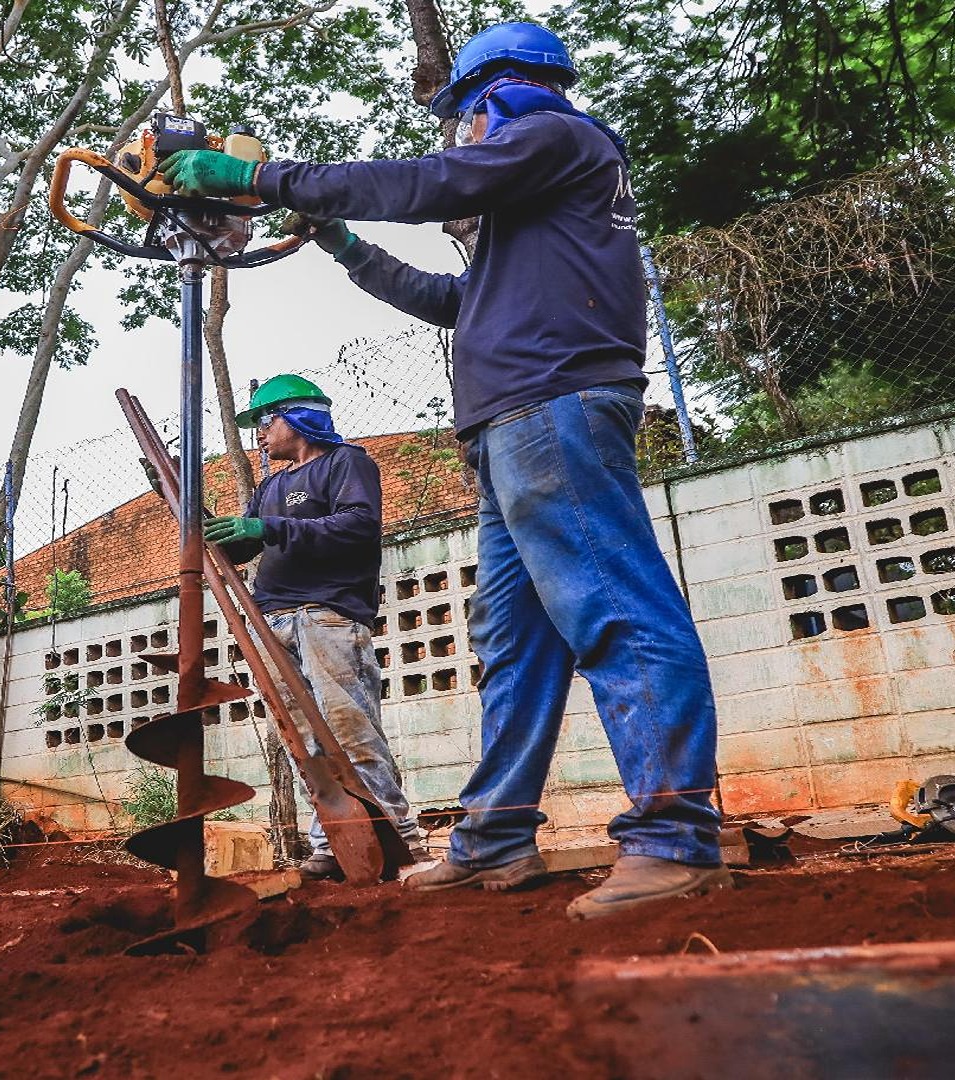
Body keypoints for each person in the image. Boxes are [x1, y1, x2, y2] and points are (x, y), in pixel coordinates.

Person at [160, 22, 728, 915]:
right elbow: (449, 300)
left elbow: (432, 184)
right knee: (516, 645)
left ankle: (674, 834)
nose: (460, 137)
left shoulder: (548, 134)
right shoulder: (534, 229)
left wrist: (261, 179)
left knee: (614, 609)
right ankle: (497, 838)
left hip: (554, 411)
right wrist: (343, 245)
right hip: (513, 432)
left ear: (487, 97)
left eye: (459, 119)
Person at [205, 376, 428, 879]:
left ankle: (399, 837)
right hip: (274, 620)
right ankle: (332, 842)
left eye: (264, 421)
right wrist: (192, 509)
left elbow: (358, 525)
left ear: (298, 416)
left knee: (349, 731)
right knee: (303, 741)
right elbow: (239, 544)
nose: (259, 434)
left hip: (326, 615)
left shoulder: (346, 463)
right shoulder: (269, 486)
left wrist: (271, 528)